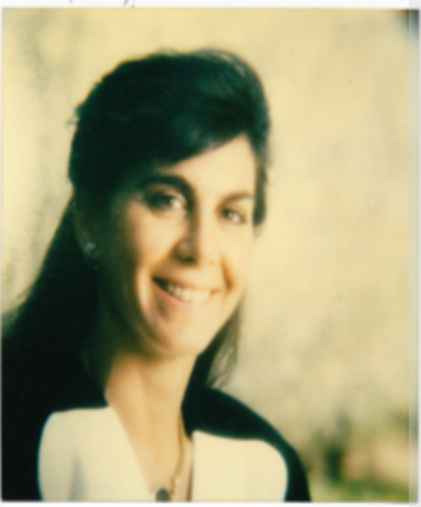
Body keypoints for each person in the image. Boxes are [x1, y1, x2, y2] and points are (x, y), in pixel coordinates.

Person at [2, 49, 310, 502]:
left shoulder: (269, 470)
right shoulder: (13, 438)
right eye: (168, 200)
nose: (201, 249)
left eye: (231, 213)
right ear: (89, 216)